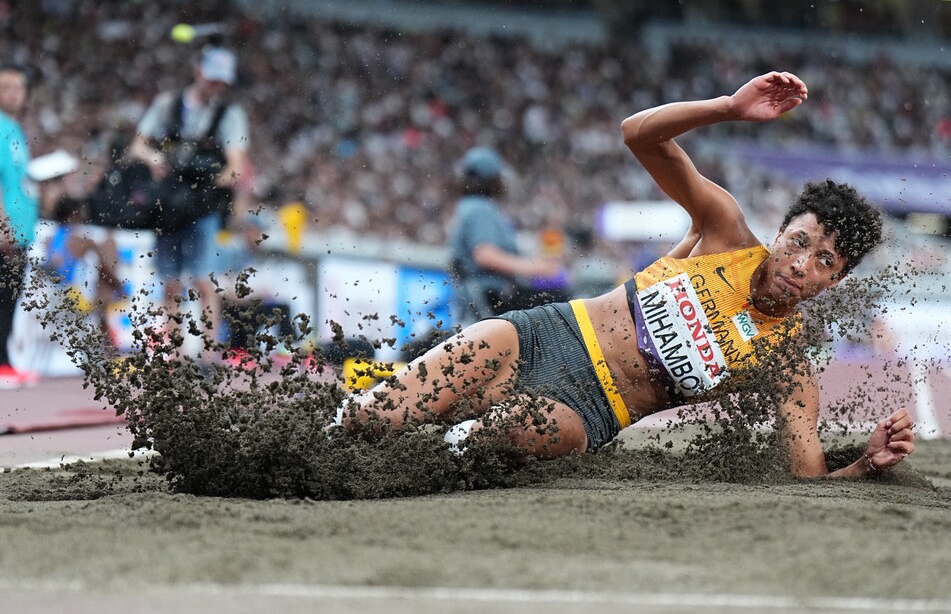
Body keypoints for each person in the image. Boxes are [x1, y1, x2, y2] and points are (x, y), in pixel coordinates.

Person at [341, 71, 915, 478]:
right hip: (541, 335)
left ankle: (438, 452)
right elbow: (638, 134)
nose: (799, 264)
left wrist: (863, 466)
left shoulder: (787, 363)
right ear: (783, 230)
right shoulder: (723, 232)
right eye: (800, 242)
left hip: (589, 409)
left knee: (496, 434)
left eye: (824, 262)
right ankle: (318, 445)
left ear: (834, 282)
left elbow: (805, 475)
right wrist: (726, 110)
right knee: (372, 421)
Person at [127, 46, 250, 359]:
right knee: (170, 282)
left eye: (222, 82)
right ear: (198, 73)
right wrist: (158, 159)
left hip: (202, 206)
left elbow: (235, 165)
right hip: (167, 205)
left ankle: (208, 355)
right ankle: (175, 353)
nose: (216, 87)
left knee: (203, 279)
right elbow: (138, 146)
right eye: (212, 80)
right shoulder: (167, 104)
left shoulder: (229, 114)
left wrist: (207, 179)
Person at [447, 146, 565, 327]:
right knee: (560, 302)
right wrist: (536, 267)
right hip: (487, 295)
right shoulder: (480, 208)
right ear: (491, 180)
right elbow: (485, 255)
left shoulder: (468, 206)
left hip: (477, 293)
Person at [0, 64, 39, 389]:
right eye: (7, 87)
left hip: (21, 228)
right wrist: (3, 225)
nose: (15, 93)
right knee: (2, 295)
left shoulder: (15, 128)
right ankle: (2, 363)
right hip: (5, 230)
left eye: (20, 87)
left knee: (10, 296)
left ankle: (6, 360)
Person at [43, 195, 123, 354]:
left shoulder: (50, 238)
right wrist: (118, 284)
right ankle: (109, 352)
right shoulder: (79, 237)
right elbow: (103, 264)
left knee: (101, 290)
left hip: (51, 296)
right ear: (75, 214)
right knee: (104, 293)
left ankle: (107, 349)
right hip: (71, 295)